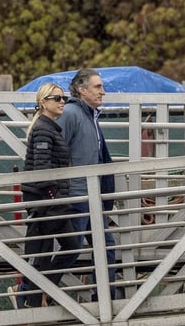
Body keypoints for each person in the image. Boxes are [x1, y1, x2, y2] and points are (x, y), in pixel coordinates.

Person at [10, 83, 80, 309]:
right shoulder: (43, 129)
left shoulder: (48, 128)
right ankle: (31, 296)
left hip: (49, 202)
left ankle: (34, 296)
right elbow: (42, 168)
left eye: (64, 98)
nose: (62, 102)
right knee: (62, 247)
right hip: (47, 203)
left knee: (48, 252)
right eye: (56, 98)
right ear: (43, 103)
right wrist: (52, 197)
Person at [58, 68, 117, 300]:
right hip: (77, 196)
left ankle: (104, 300)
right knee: (72, 250)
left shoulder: (90, 115)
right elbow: (57, 150)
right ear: (82, 90)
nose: (103, 91)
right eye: (97, 87)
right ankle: (31, 290)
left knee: (106, 247)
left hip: (91, 197)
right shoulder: (71, 113)